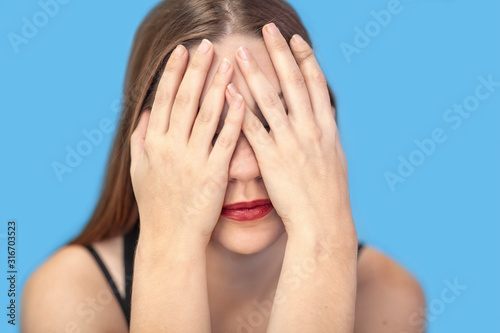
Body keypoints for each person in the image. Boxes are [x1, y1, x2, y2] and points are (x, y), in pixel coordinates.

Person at [21, 0, 426, 332]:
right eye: (205, 129)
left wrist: (325, 241)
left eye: (271, 124)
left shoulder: (389, 298)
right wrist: (168, 250)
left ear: (321, 125)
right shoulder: (67, 297)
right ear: (144, 144)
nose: (245, 169)